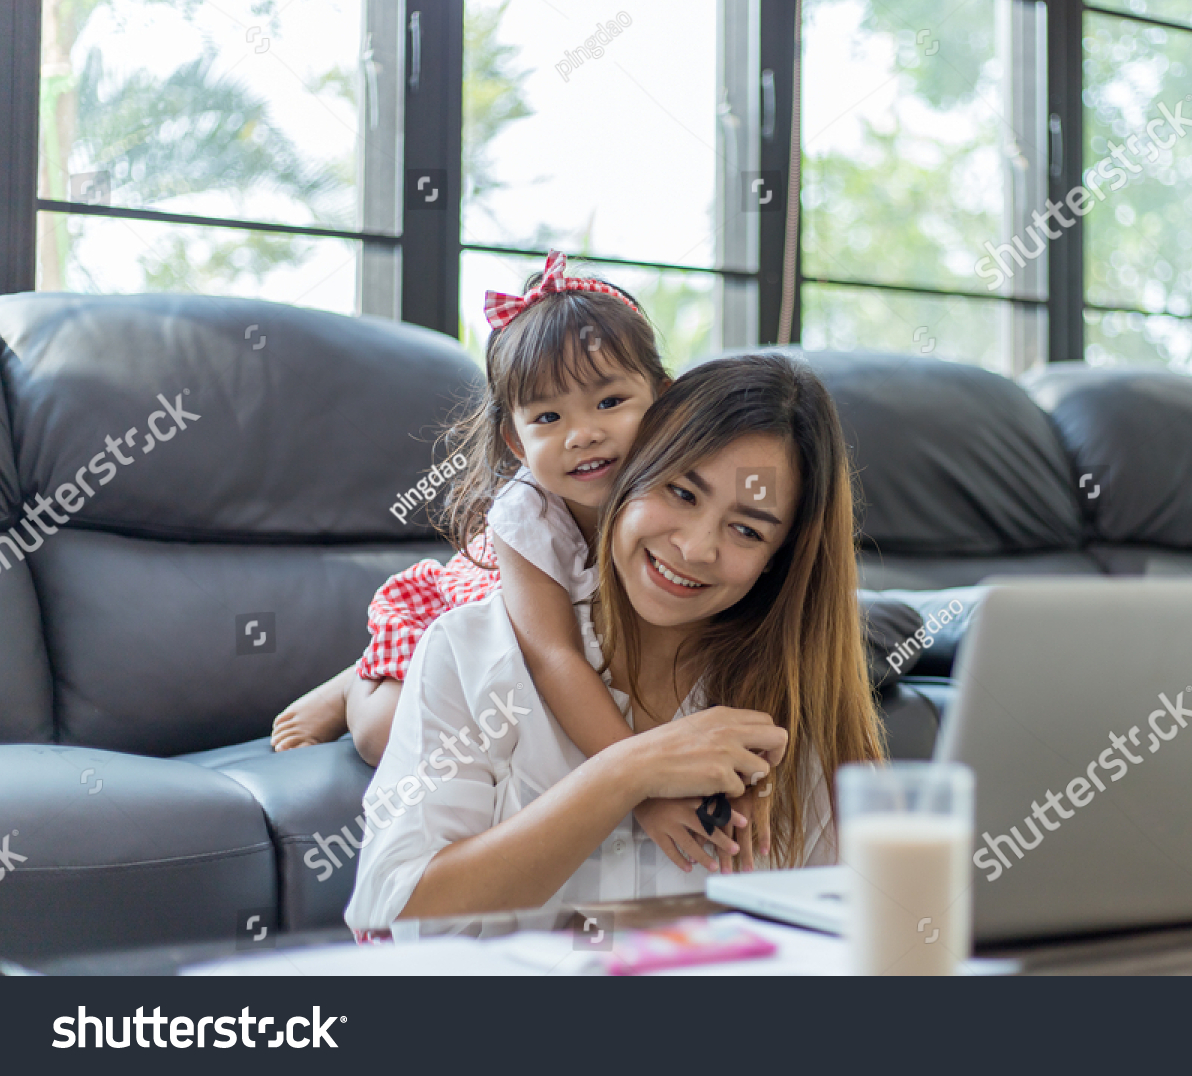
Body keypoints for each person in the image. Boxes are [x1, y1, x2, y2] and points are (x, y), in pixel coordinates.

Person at [344, 352, 884, 930]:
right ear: (630, 470)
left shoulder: (798, 710)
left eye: (747, 530)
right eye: (681, 493)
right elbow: (394, 903)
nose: (696, 548)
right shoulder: (471, 651)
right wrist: (628, 772)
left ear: (778, 559)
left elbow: (852, 937)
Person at [275, 251, 750, 869]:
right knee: (381, 733)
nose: (583, 433)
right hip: (479, 627)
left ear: (663, 398)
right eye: (548, 417)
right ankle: (360, 681)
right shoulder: (526, 512)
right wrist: (644, 787)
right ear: (515, 441)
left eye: (610, 401)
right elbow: (552, 655)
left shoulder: (682, 485)